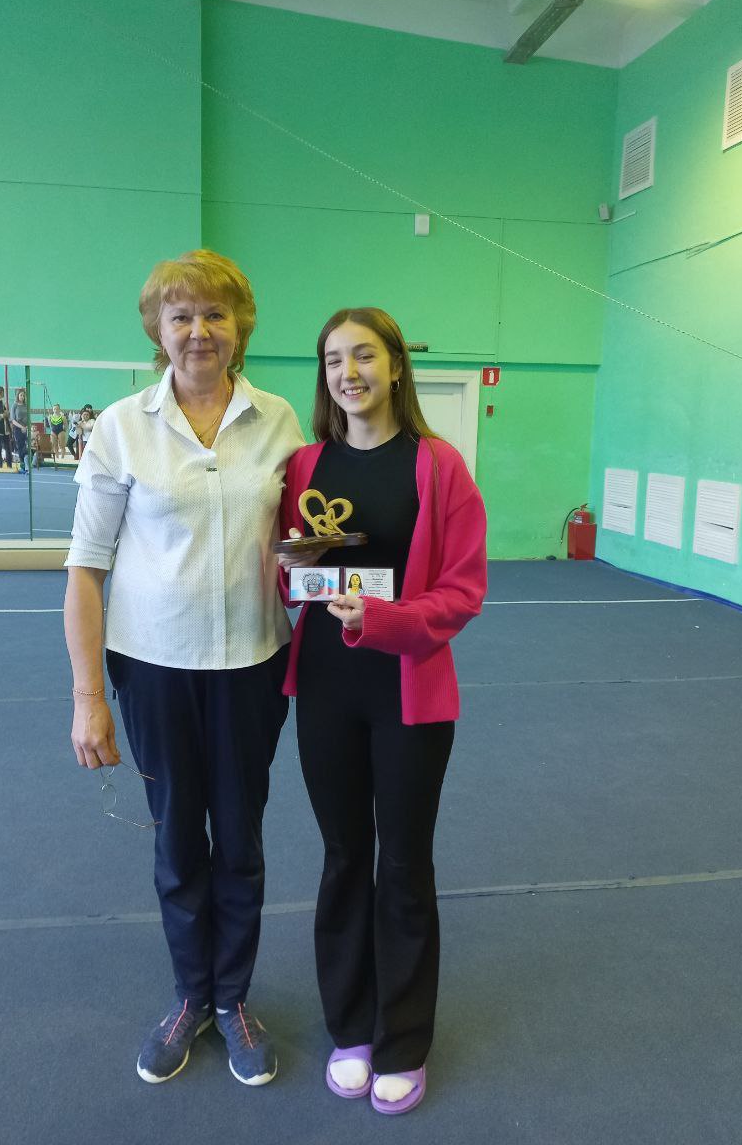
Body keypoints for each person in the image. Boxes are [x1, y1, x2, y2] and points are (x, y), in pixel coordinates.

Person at [64, 249, 304, 1089]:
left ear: (240, 328)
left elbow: (306, 538)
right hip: (154, 671)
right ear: (157, 330)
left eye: (215, 314)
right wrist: (88, 697)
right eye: (181, 316)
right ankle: (189, 996)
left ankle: (233, 999)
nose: (199, 330)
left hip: (251, 666)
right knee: (176, 839)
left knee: (238, 837)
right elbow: (86, 569)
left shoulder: (280, 421)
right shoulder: (121, 426)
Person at [278, 308, 486, 1115]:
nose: (348, 372)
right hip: (325, 691)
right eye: (333, 359)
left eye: (363, 355)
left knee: (402, 863)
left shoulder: (439, 466)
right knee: (342, 859)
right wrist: (290, 570)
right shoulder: (305, 464)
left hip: (409, 691)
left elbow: (463, 590)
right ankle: (351, 1028)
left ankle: (402, 1040)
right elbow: (288, 573)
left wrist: (384, 621)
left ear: (396, 365)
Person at [10, 388, 29, 474]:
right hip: (18, 428)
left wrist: (27, 427)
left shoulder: (25, 405)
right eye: (21, 395)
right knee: (20, 446)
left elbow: (28, 417)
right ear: (18, 396)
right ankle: (22, 465)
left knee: (26, 446)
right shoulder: (15, 405)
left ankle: (26, 463)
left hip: (26, 428)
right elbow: (13, 420)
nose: (22, 397)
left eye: (23, 395)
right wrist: (21, 427)